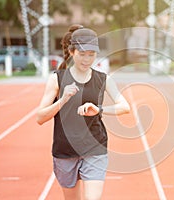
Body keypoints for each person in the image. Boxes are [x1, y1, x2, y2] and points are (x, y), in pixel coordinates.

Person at [36, 24, 130, 200]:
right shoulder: (57, 79)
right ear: (72, 52)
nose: (87, 59)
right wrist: (62, 100)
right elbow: (40, 118)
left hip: (94, 148)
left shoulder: (103, 79)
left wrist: (99, 110)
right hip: (65, 151)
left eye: (91, 55)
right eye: (82, 54)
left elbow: (125, 107)